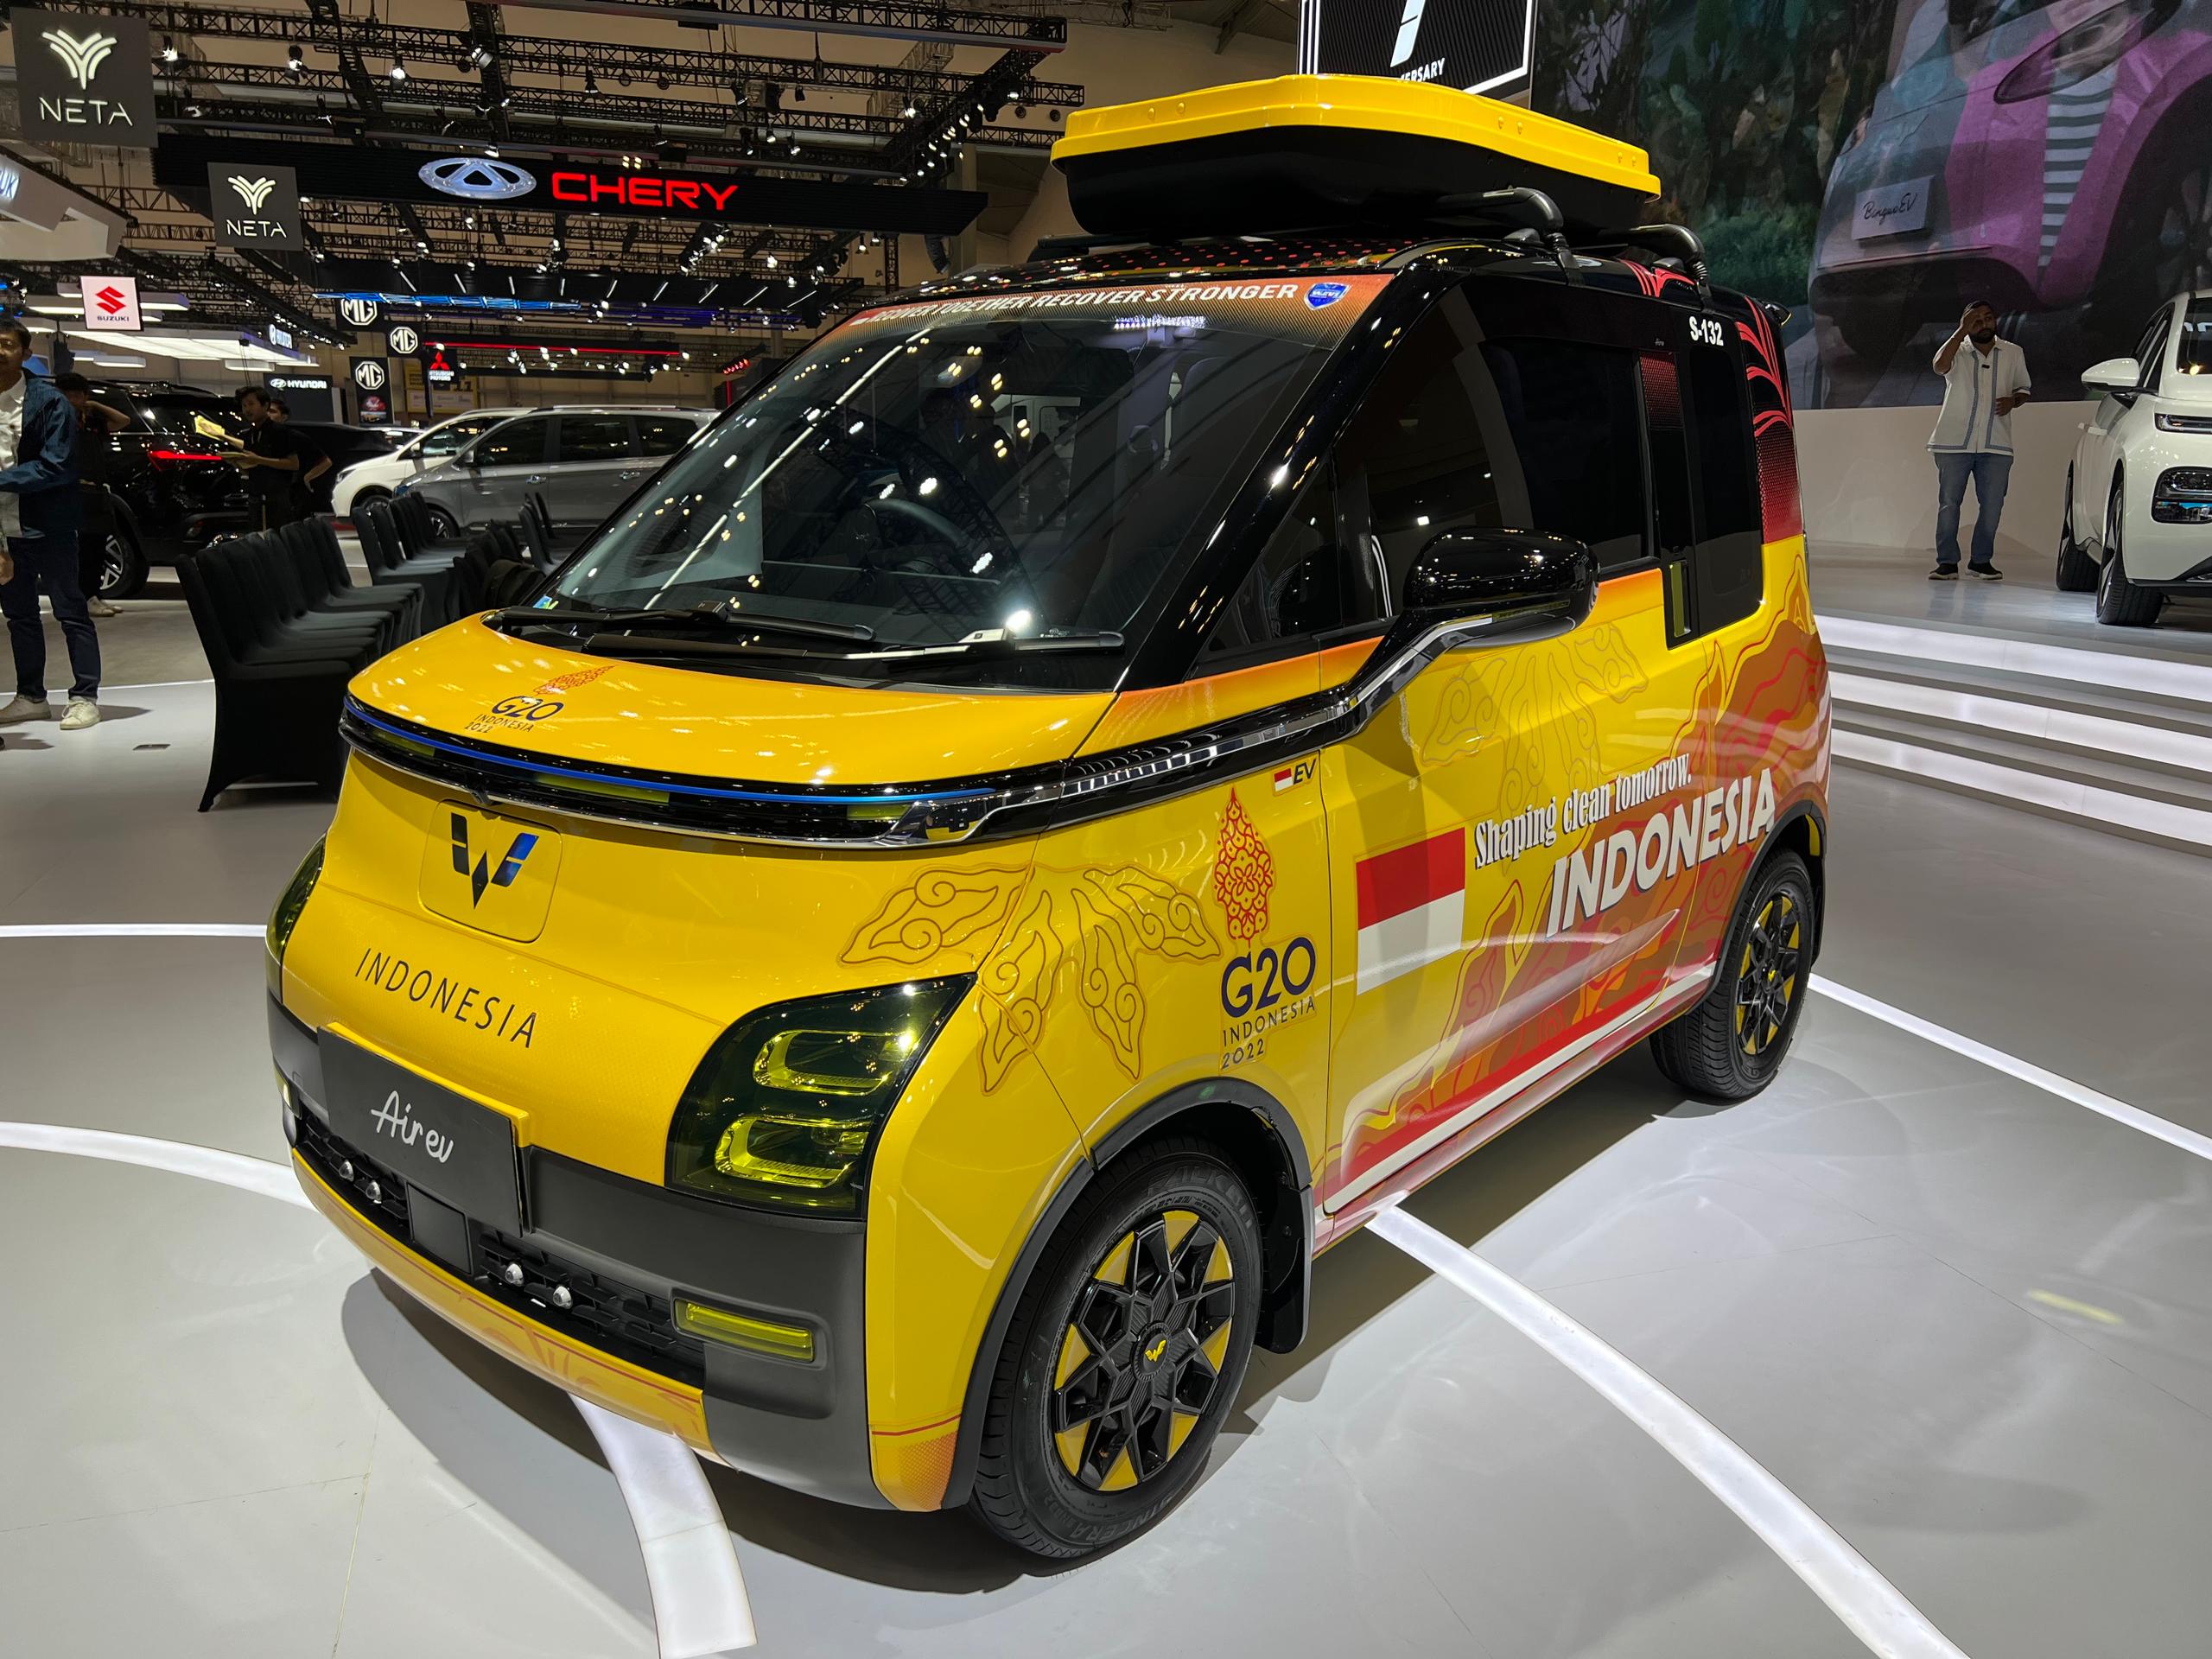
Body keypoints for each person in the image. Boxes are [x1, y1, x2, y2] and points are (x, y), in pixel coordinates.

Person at [0, 316, 99, 730]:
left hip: (48, 524)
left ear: (25, 353)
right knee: (19, 615)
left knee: (70, 610)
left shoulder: (48, 401)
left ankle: (85, 696)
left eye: (6, 344)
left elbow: (57, 465)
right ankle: (31, 696)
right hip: (4, 528)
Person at [1927, 300, 2030, 580]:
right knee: (1949, 503)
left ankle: (1981, 562)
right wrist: (1961, 331)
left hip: (1996, 442)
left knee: (1993, 505)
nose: (1983, 324)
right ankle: (1947, 563)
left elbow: (2024, 388)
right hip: (1953, 442)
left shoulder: (2012, 352)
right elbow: (1939, 366)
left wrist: (2013, 401)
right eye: (1976, 320)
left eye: (1988, 318)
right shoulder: (1956, 350)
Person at [54, 372, 130, 618]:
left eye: (76, 395)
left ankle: (94, 595)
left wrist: (95, 405)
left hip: (97, 490)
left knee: (97, 546)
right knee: (78, 549)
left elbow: (123, 420)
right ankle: (81, 597)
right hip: (71, 490)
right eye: (66, 395)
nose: (71, 400)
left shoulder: (92, 422)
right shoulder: (53, 420)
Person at [228, 386, 302, 529]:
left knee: (277, 539)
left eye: (251, 404)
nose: (247, 409)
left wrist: (259, 460)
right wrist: (236, 462)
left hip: (277, 499)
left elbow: (294, 464)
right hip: (254, 499)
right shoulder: (247, 435)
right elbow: (250, 470)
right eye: (244, 405)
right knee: (256, 538)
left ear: (265, 405)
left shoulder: (280, 432)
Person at [268, 396, 331, 516]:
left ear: (284, 417)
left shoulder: (295, 437)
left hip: (295, 496)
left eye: (272, 411)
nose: (268, 415)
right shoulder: (262, 438)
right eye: (266, 411)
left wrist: (307, 477)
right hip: (271, 495)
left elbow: (325, 461)